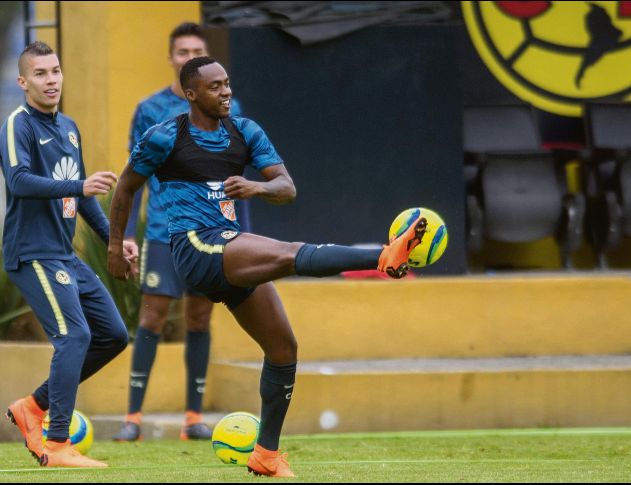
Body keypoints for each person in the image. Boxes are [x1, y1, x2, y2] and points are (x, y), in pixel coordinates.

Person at [107, 57, 422, 478]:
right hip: (194, 246)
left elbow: (286, 187)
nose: (226, 92)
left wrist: (256, 186)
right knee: (286, 252)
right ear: (191, 94)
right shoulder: (165, 137)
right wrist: (114, 246)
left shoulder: (245, 131)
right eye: (215, 86)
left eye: (228, 83)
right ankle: (382, 256)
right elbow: (125, 188)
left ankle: (266, 456)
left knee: (283, 349)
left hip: (229, 249)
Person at [0, 41, 137, 468]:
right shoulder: (17, 125)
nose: (51, 79)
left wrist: (116, 240)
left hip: (63, 255)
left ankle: (32, 408)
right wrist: (80, 186)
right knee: (74, 337)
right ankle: (56, 443)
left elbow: (83, 196)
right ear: (23, 82)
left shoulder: (70, 127)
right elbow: (20, 181)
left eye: (55, 70)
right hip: (33, 253)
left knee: (113, 335)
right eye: (40, 73)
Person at [113, 22, 245, 443]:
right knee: (151, 316)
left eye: (197, 51)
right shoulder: (149, 110)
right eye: (182, 51)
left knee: (199, 317)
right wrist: (126, 235)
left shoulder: (230, 107)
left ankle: (194, 418)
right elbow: (130, 180)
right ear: (172, 58)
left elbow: (237, 177)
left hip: (211, 232)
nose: (190, 57)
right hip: (163, 230)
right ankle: (132, 418)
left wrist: (240, 234)